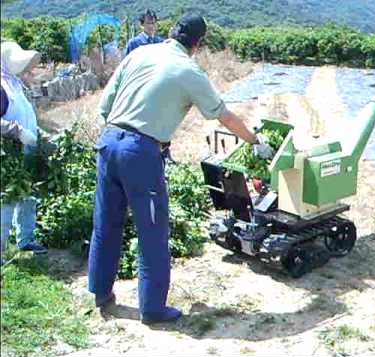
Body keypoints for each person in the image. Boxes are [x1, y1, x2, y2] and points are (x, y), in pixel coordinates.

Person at [88, 14, 273, 324]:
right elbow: (223, 116)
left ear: (171, 32)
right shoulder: (189, 70)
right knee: (152, 232)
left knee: (106, 223)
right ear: (197, 44)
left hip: (108, 143)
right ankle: (153, 309)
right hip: (140, 153)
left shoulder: (140, 53)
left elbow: (105, 106)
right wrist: (255, 141)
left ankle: (100, 293)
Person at [0, 41, 48, 260]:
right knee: (7, 201)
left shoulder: (15, 84)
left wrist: (42, 137)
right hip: (8, 155)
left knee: (28, 196)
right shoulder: (1, 87)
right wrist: (16, 131)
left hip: (26, 152)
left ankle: (26, 240)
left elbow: (26, 115)